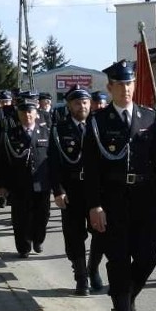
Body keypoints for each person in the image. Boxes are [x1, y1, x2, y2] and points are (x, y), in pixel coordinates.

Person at [84, 60, 156, 311]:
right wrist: (94, 205)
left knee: (149, 257)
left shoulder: (149, 118)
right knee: (119, 260)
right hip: (113, 201)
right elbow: (92, 168)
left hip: (145, 199)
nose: (126, 89)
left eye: (130, 83)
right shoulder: (98, 122)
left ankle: (126, 295)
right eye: (120, 84)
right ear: (110, 87)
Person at [49, 85, 95, 295]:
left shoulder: (97, 125)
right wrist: (58, 190)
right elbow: (53, 163)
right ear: (69, 105)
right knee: (74, 236)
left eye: (85, 102)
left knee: (102, 234)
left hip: (95, 190)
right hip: (72, 190)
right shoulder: (59, 130)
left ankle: (92, 268)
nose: (82, 106)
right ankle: (81, 277)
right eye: (77, 102)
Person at [0, 91, 51, 258]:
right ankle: (23, 246)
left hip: (42, 182)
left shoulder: (46, 132)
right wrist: (1, 185)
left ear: (36, 113)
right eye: (23, 112)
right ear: (18, 114)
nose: (27, 115)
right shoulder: (11, 135)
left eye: (30, 112)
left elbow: (54, 159)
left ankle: (38, 239)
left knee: (43, 215)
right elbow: (2, 161)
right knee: (21, 217)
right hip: (19, 183)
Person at [85, 90, 110, 291]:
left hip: (115, 186)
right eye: (97, 103)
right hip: (95, 186)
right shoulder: (89, 123)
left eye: (103, 103)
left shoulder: (110, 120)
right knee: (99, 235)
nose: (100, 106)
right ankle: (92, 269)